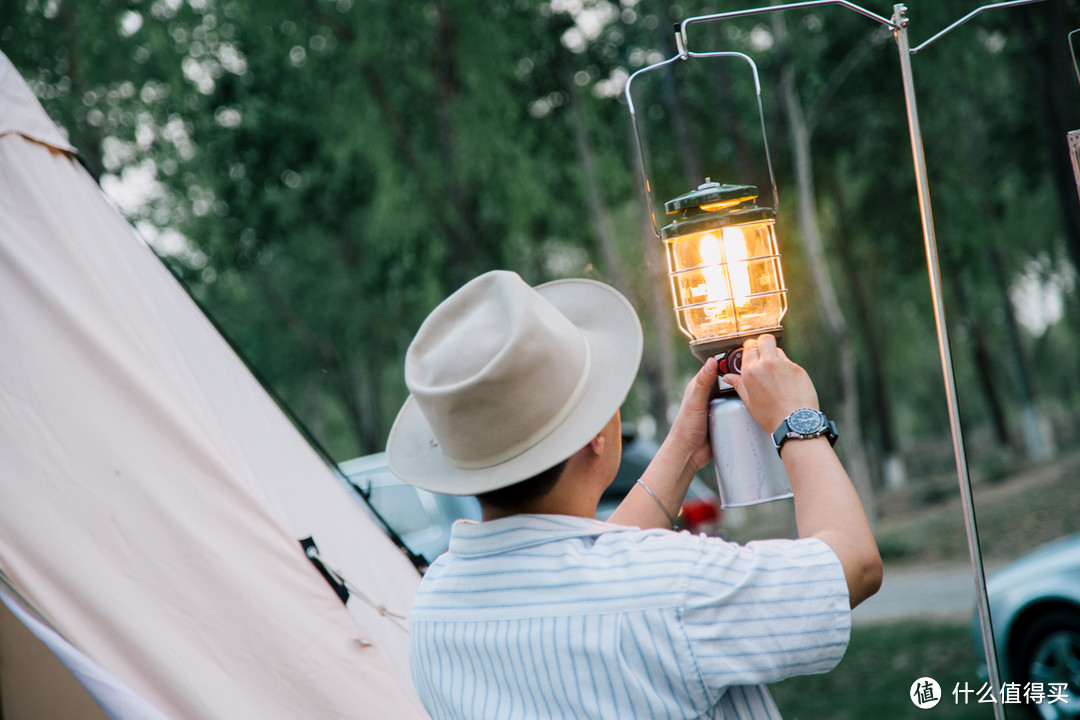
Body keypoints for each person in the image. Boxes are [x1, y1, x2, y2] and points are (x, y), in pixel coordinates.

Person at [387, 269, 882, 720]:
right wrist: (796, 421)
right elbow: (853, 565)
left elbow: (587, 576)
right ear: (594, 438)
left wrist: (684, 453)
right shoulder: (675, 585)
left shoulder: (434, 607)